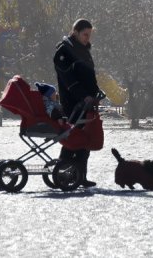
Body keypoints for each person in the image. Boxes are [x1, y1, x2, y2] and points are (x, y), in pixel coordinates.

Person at [53, 19, 101, 188]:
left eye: (90, 34)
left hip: (86, 102)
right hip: (73, 102)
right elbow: (68, 80)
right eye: (85, 34)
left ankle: (80, 175)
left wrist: (96, 92)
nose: (88, 38)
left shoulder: (83, 50)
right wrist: (83, 96)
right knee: (73, 139)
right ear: (75, 32)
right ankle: (63, 173)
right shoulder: (64, 51)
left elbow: (89, 76)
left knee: (84, 139)